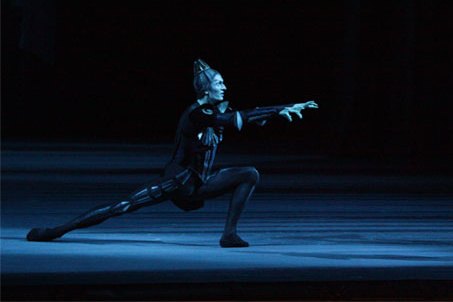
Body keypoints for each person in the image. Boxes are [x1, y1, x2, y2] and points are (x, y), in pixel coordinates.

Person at [27, 59, 318, 247]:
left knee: (249, 174)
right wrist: (278, 109)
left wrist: (283, 110)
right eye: (219, 83)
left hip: (200, 183)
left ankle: (229, 234)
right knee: (122, 207)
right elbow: (234, 118)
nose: (224, 86)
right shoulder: (197, 114)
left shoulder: (216, 110)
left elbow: (244, 116)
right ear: (205, 89)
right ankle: (55, 231)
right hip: (177, 182)